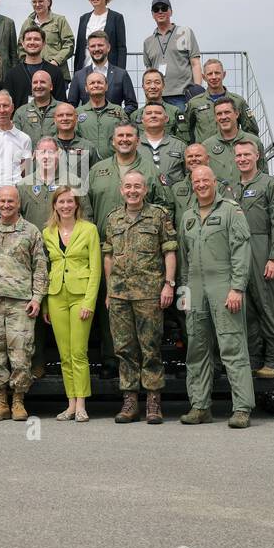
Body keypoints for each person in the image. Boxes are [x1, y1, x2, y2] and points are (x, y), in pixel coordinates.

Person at [87, 123, 167, 382]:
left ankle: (148, 379)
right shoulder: (98, 170)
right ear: (113, 141)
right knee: (109, 304)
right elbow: (86, 205)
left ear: (137, 140)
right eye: (119, 135)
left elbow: (163, 205)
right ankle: (111, 359)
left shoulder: (148, 170)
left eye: (129, 136)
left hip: (143, 252)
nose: (124, 139)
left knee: (142, 318)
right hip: (104, 245)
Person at [179, 165, 255, 428]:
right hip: (195, 290)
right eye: (196, 181)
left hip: (224, 287)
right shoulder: (187, 216)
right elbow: (183, 260)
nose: (201, 185)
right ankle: (200, 407)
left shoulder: (231, 211)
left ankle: (242, 408)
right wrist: (183, 295)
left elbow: (241, 250)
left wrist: (237, 288)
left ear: (215, 182)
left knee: (232, 348)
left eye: (205, 180)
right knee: (196, 350)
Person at [102, 172, 177, 425]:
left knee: (151, 348)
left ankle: (153, 402)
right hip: (120, 294)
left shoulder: (158, 215)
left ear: (145, 190)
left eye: (137, 186)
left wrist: (169, 284)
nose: (132, 191)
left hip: (149, 293)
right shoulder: (113, 218)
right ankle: (130, 401)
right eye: (128, 186)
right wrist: (110, 290)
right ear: (121, 190)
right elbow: (109, 256)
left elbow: (169, 250)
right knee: (124, 349)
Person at [0, 186, 48, 422]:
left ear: (18, 203)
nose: (6, 205)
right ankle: (0, 401)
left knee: (21, 353)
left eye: (11, 201)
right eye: (2, 201)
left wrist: (37, 297)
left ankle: (18, 400)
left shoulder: (31, 232)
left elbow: (41, 267)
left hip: (21, 302)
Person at [43, 187, 100, 422]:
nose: (65, 206)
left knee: (78, 352)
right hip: (56, 295)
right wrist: (46, 303)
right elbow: (46, 269)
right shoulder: (48, 232)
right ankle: (70, 403)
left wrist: (89, 301)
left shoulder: (89, 230)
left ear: (77, 205)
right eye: (61, 202)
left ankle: (82, 404)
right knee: (64, 354)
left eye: (70, 201)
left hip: (80, 296)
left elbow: (96, 268)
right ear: (55, 205)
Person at [233, 140, 274, 377]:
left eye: (247, 154)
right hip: (238, 250)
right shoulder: (231, 188)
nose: (242, 159)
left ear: (257, 156)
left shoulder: (270, 185)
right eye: (238, 155)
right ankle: (254, 359)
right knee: (247, 310)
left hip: (261, 247)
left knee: (269, 306)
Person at [141, 0, 201, 107]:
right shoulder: (148, 42)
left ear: (171, 12)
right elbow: (148, 72)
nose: (160, 11)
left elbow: (195, 63)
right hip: (158, 97)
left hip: (183, 95)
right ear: (152, 14)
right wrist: (147, 99)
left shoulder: (185, 32)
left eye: (164, 8)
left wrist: (197, 92)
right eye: (156, 9)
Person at [186, 58, 259, 144]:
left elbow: (251, 130)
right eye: (209, 74)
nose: (214, 77)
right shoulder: (194, 103)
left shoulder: (238, 101)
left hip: (232, 153)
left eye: (217, 73)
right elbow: (186, 131)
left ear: (224, 74)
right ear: (204, 77)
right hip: (205, 153)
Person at [202, 96, 265, 186]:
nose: (223, 117)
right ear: (215, 118)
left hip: (249, 197)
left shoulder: (254, 141)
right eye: (219, 114)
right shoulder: (206, 146)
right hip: (221, 198)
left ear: (236, 114)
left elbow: (264, 175)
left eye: (227, 112)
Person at [67, 30, 136, 113]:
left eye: (100, 45)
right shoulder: (79, 75)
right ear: (88, 49)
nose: (96, 49)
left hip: (114, 124)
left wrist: (119, 117)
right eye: (93, 46)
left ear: (108, 47)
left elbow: (132, 104)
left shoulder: (121, 74)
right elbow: (71, 105)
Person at [20, 0, 75, 80]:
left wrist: (55, 61)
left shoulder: (59, 21)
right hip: (31, 74)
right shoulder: (27, 23)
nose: (37, 4)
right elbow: (20, 47)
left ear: (48, 1)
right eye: (34, 2)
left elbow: (69, 44)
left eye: (40, 1)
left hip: (56, 72)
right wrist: (27, 64)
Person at [3, 28, 66, 108]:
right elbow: (8, 104)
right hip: (21, 119)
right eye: (29, 39)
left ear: (43, 43)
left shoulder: (55, 72)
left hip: (49, 119)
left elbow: (61, 102)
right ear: (22, 44)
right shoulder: (12, 74)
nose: (32, 42)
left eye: (36, 39)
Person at [75, 71, 129, 163]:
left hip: (114, 163)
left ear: (106, 86)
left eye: (100, 82)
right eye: (92, 83)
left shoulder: (118, 111)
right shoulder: (78, 112)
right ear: (86, 88)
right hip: (84, 164)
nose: (96, 85)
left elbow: (127, 135)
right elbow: (74, 140)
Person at [73, 0, 127, 71]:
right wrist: (76, 74)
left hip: (108, 70)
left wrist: (120, 73)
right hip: (86, 68)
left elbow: (121, 48)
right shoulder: (83, 18)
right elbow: (79, 48)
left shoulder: (116, 18)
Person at [138, 101, 188, 187]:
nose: (153, 116)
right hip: (143, 197)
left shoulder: (180, 145)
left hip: (174, 197)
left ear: (166, 118)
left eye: (158, 113)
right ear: (142, 120)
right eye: (149, 113)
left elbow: (189, 175)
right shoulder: (134, 145)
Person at [131, 67, 188, 138]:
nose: (153, 86)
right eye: (148, 83)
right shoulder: (135, 116)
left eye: (157, 82)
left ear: (163, 86)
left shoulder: (175, 112)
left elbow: (183, 141)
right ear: (143, 86)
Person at [51, 102, 98, 184]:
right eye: (60, 115)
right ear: (54, 120)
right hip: (53, 195)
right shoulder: (45, 146)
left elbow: (96, 176)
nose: (65, 118)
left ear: (76, 119)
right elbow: (32, 174)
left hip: (80, 194)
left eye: (69, 115)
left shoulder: (88, 147)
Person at [13, 69, 61, 143]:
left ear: (51, 86)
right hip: (29, 154)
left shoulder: (63, 109)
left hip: (57, 154)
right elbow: (15, 141)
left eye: (42, 82)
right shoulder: (21, 112)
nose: (38, 86)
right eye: (35, 83)